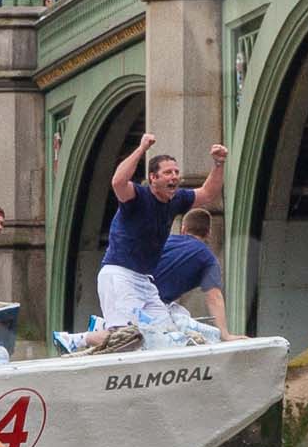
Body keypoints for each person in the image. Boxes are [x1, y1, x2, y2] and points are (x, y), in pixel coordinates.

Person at [53, 132, 226, 351]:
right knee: (128, 337)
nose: (174, 177)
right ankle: (75, 339)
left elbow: (208, 193)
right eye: (167, 173)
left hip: (145, 280)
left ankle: (103, 326)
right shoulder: (137, 197)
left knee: (166, 336)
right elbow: (117, 182)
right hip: (119, 274)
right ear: (153, 178)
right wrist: (142, 148)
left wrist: (219, 163)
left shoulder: (177, 200)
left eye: (176, 172)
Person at [152, 208, 237, 339]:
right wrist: (225, 334)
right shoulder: (208, 260)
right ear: (208, 233)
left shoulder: (164, 242)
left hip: (127, 294)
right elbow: (214, 296)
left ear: (183, 229)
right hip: (153, 305)